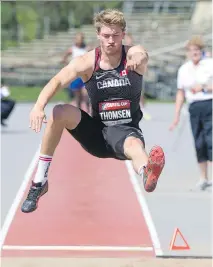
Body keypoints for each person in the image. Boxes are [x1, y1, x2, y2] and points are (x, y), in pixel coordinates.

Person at [21, 9, 165, 213]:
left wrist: (139, 59)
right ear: (98, 35)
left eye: (116, 35)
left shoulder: (131, 54)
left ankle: (146, 171)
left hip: (125, 131)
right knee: (60, 111)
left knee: (134, 145)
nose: (111, 41)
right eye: (106, 36)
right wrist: (38, 106)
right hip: (96, 133)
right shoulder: (87, 62)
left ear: (123, 34)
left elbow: (141, 54)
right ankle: (39, 181)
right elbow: (58, 80)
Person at [170, 36, 212, 190]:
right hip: (194, 107)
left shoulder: (209, 64)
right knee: (199, 143)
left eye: (197, 50)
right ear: (187, 52)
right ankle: (203, 178)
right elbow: (180, 93)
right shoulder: (184, 69)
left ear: (201, 51)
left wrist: (204, 87)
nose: (194, 53)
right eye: (191, 50)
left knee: (211, 141)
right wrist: (176, 116)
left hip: (209, 104)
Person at [61, 32, 90, 112]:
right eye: (77, 39)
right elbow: (64, 58)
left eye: (81, 39)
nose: (79, 41)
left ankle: (88, 112)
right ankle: (80, 114)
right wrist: (68, 66)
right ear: (75, 40)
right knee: (78, 97)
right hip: (76, 76)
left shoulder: (86, 48)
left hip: (85, 75)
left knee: (85, 95)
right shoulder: (72, 49)